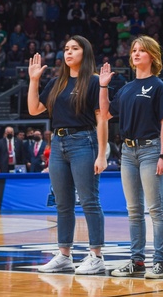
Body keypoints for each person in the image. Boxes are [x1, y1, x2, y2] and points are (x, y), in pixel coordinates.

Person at [29, 36, 108, 275]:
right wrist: (34, 81)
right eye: (66, 49)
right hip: (58, 143)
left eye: (75, 48)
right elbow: (34, 109)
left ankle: (96, 256)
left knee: (89, 201)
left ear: (85, 53)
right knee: (63, 204)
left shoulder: (94, 81)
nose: (69, 52)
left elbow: (102, 118)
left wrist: (102, 153)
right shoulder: (56, 82)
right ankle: (64, 255)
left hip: (84, 141)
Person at [99, 36, 163, 279]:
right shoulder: (126, 88)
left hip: (151, 150)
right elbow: (107, 113)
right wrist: (102, 86)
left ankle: (159, 261)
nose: (136, 54)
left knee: (155, 209)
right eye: (134, 50)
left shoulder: (159, 87)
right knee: (133, 210)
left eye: (141, 50)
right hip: (128, 152)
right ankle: (136, 260)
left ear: (152, 55)